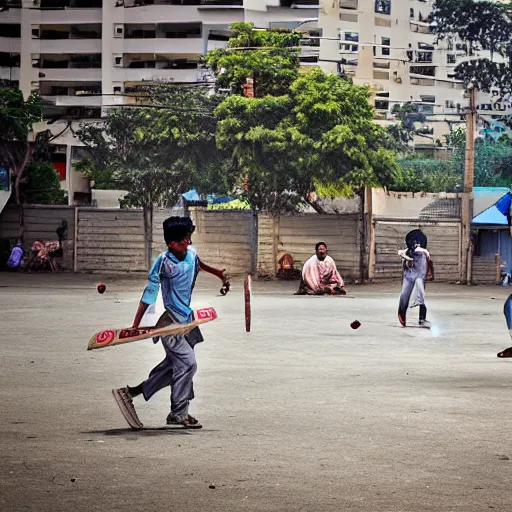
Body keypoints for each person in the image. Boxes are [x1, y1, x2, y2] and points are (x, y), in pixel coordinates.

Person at [112, 216, 229, 430]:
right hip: (170, 324)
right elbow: (149, 294)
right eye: (182, 240)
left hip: (188, 321)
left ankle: (130, 393)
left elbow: (199, 264)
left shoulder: (191, 254)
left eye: (188, 238)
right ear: (170, 243)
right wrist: (135, 325)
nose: (188, 243)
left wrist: (218, 274)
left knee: (173, 368)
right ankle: (177, 413)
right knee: (188, 364)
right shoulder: (163, 262)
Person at [397, 229, 434, 327]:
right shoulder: (406, 251)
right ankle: (401, 314)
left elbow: (428, 259)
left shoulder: (423, 252)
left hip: (419, 277)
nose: (416, 244)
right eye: (414, 242)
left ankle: (422, 318)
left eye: (418, 242)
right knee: (404, 295)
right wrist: (407, 258)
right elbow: (401, 254)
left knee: (420, 296)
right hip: (408, 276)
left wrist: (430, 274)